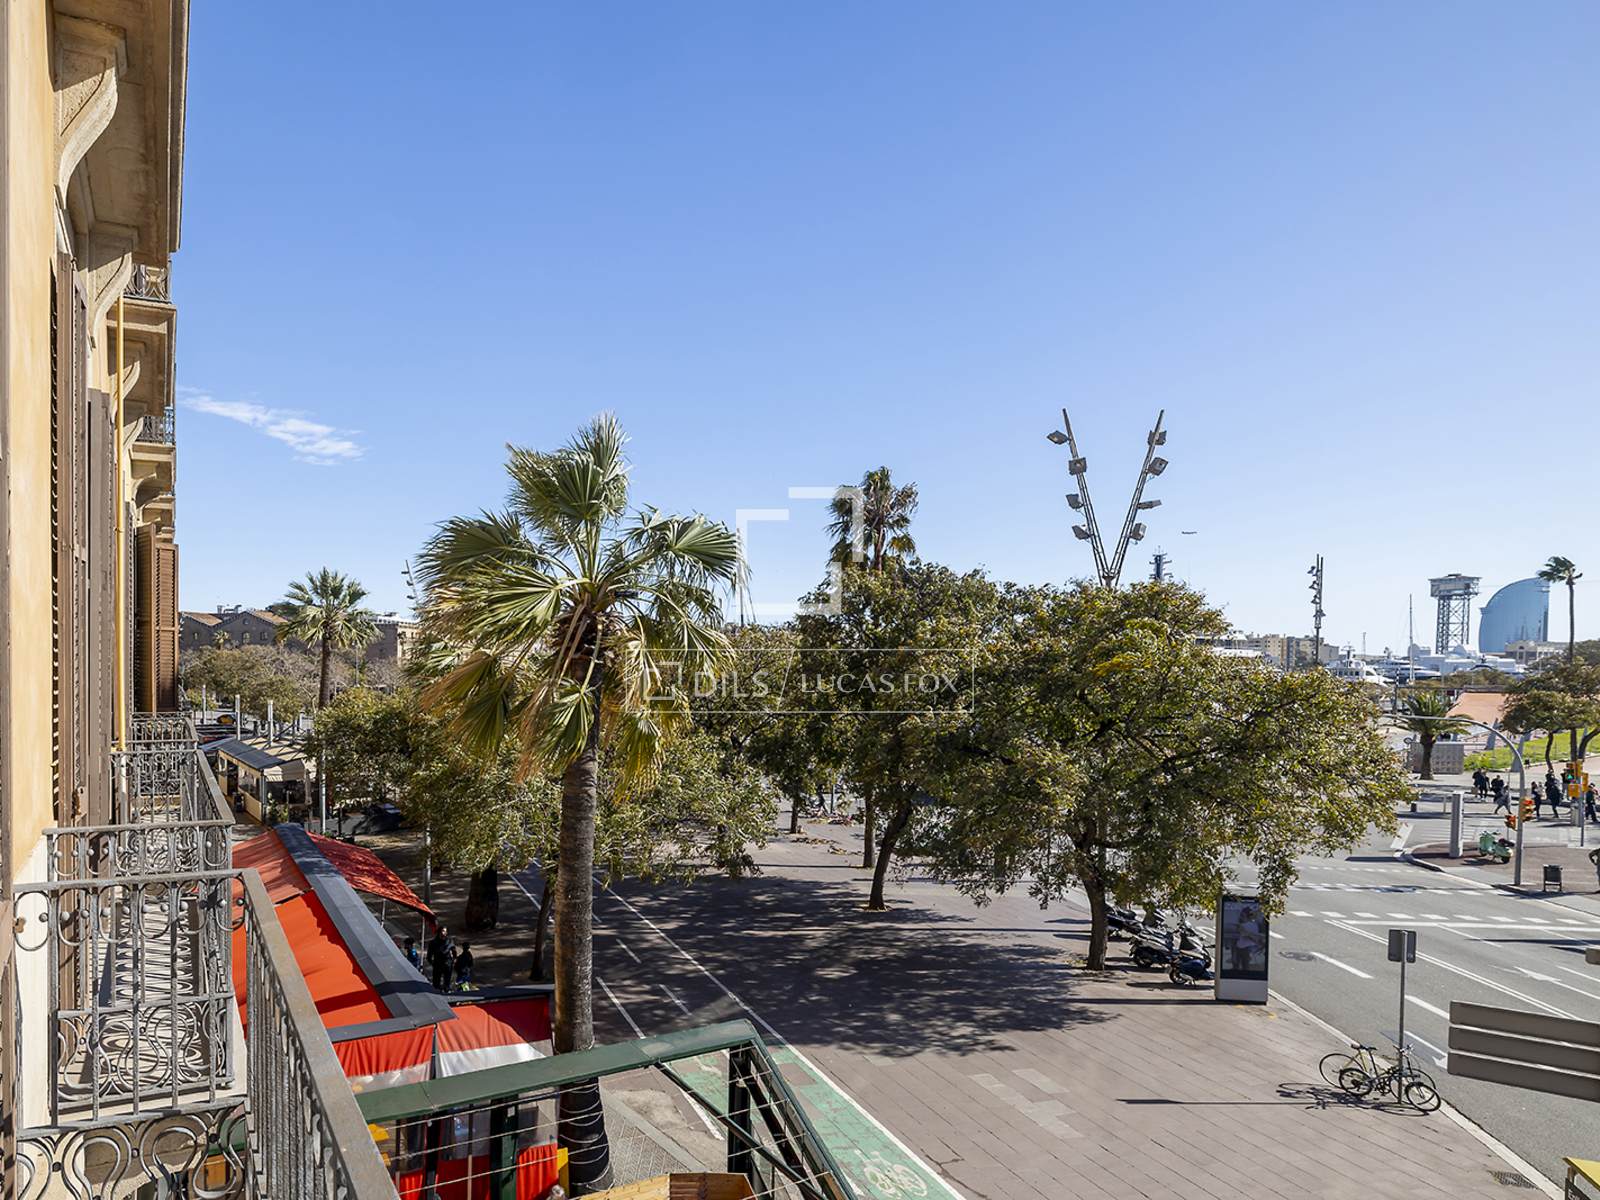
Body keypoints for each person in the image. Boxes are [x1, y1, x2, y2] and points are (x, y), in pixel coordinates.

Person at [427, 925, 453, 991]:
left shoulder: (450, 941)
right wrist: (433, 963)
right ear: (439, 932)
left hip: (447, 964)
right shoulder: (433, 943)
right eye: (443, 931)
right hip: (438, 964)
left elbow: (454, 951)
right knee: (436, 984)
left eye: (445, 931)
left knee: (447, 983)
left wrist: (453, 960)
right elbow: (429, 956)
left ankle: (446, 990)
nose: (444, 933)